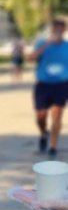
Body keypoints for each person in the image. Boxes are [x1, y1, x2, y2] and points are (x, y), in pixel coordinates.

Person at [30, 17, 68, 158]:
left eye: (61, 27)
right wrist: (46, 44)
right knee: (41, 115)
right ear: (52, 29)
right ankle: (43, 133)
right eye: (55, 27)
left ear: (64, 30)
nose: (58, 30)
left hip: (62, 84)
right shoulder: (42, 43)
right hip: (43, 84)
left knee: (57, 113)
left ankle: (53, 147)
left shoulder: (67, 46)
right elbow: (30, 59)